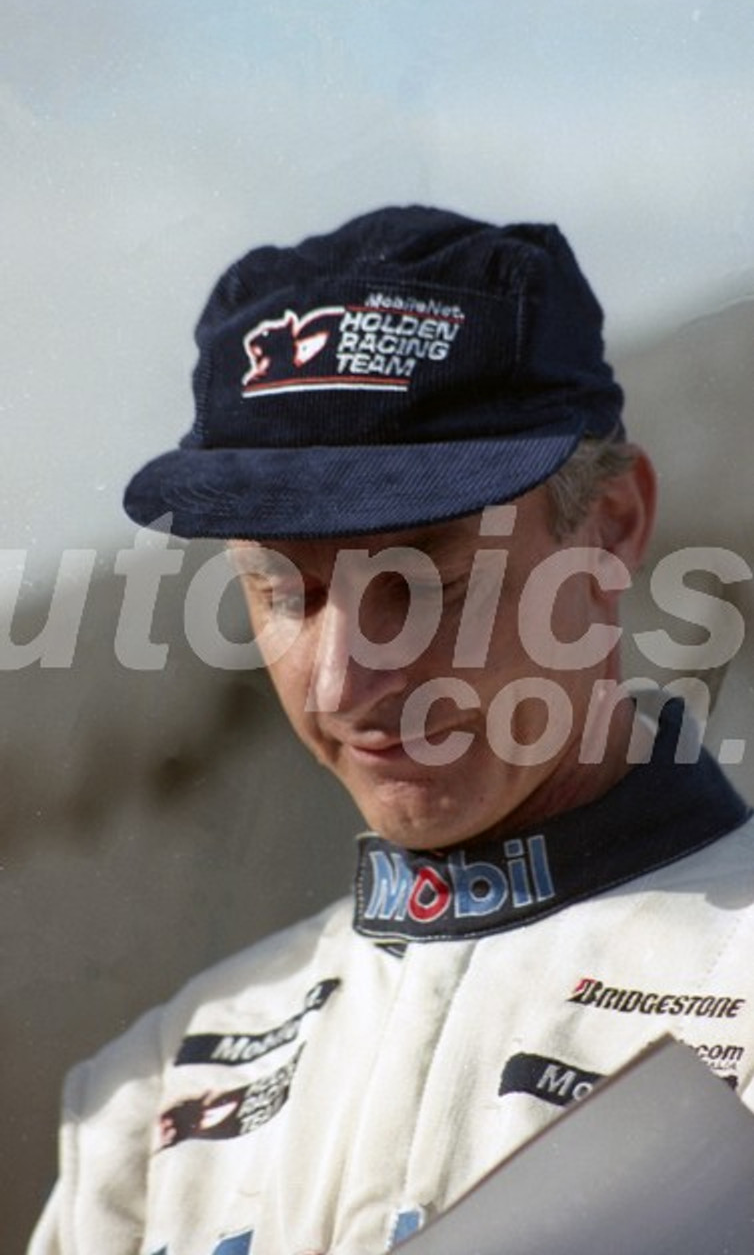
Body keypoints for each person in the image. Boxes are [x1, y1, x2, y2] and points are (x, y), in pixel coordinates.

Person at [29, 207, 754, 1255]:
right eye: (285, 588)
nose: (344, 678)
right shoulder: (150, 1092)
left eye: (420, 580)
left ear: (610, 527)